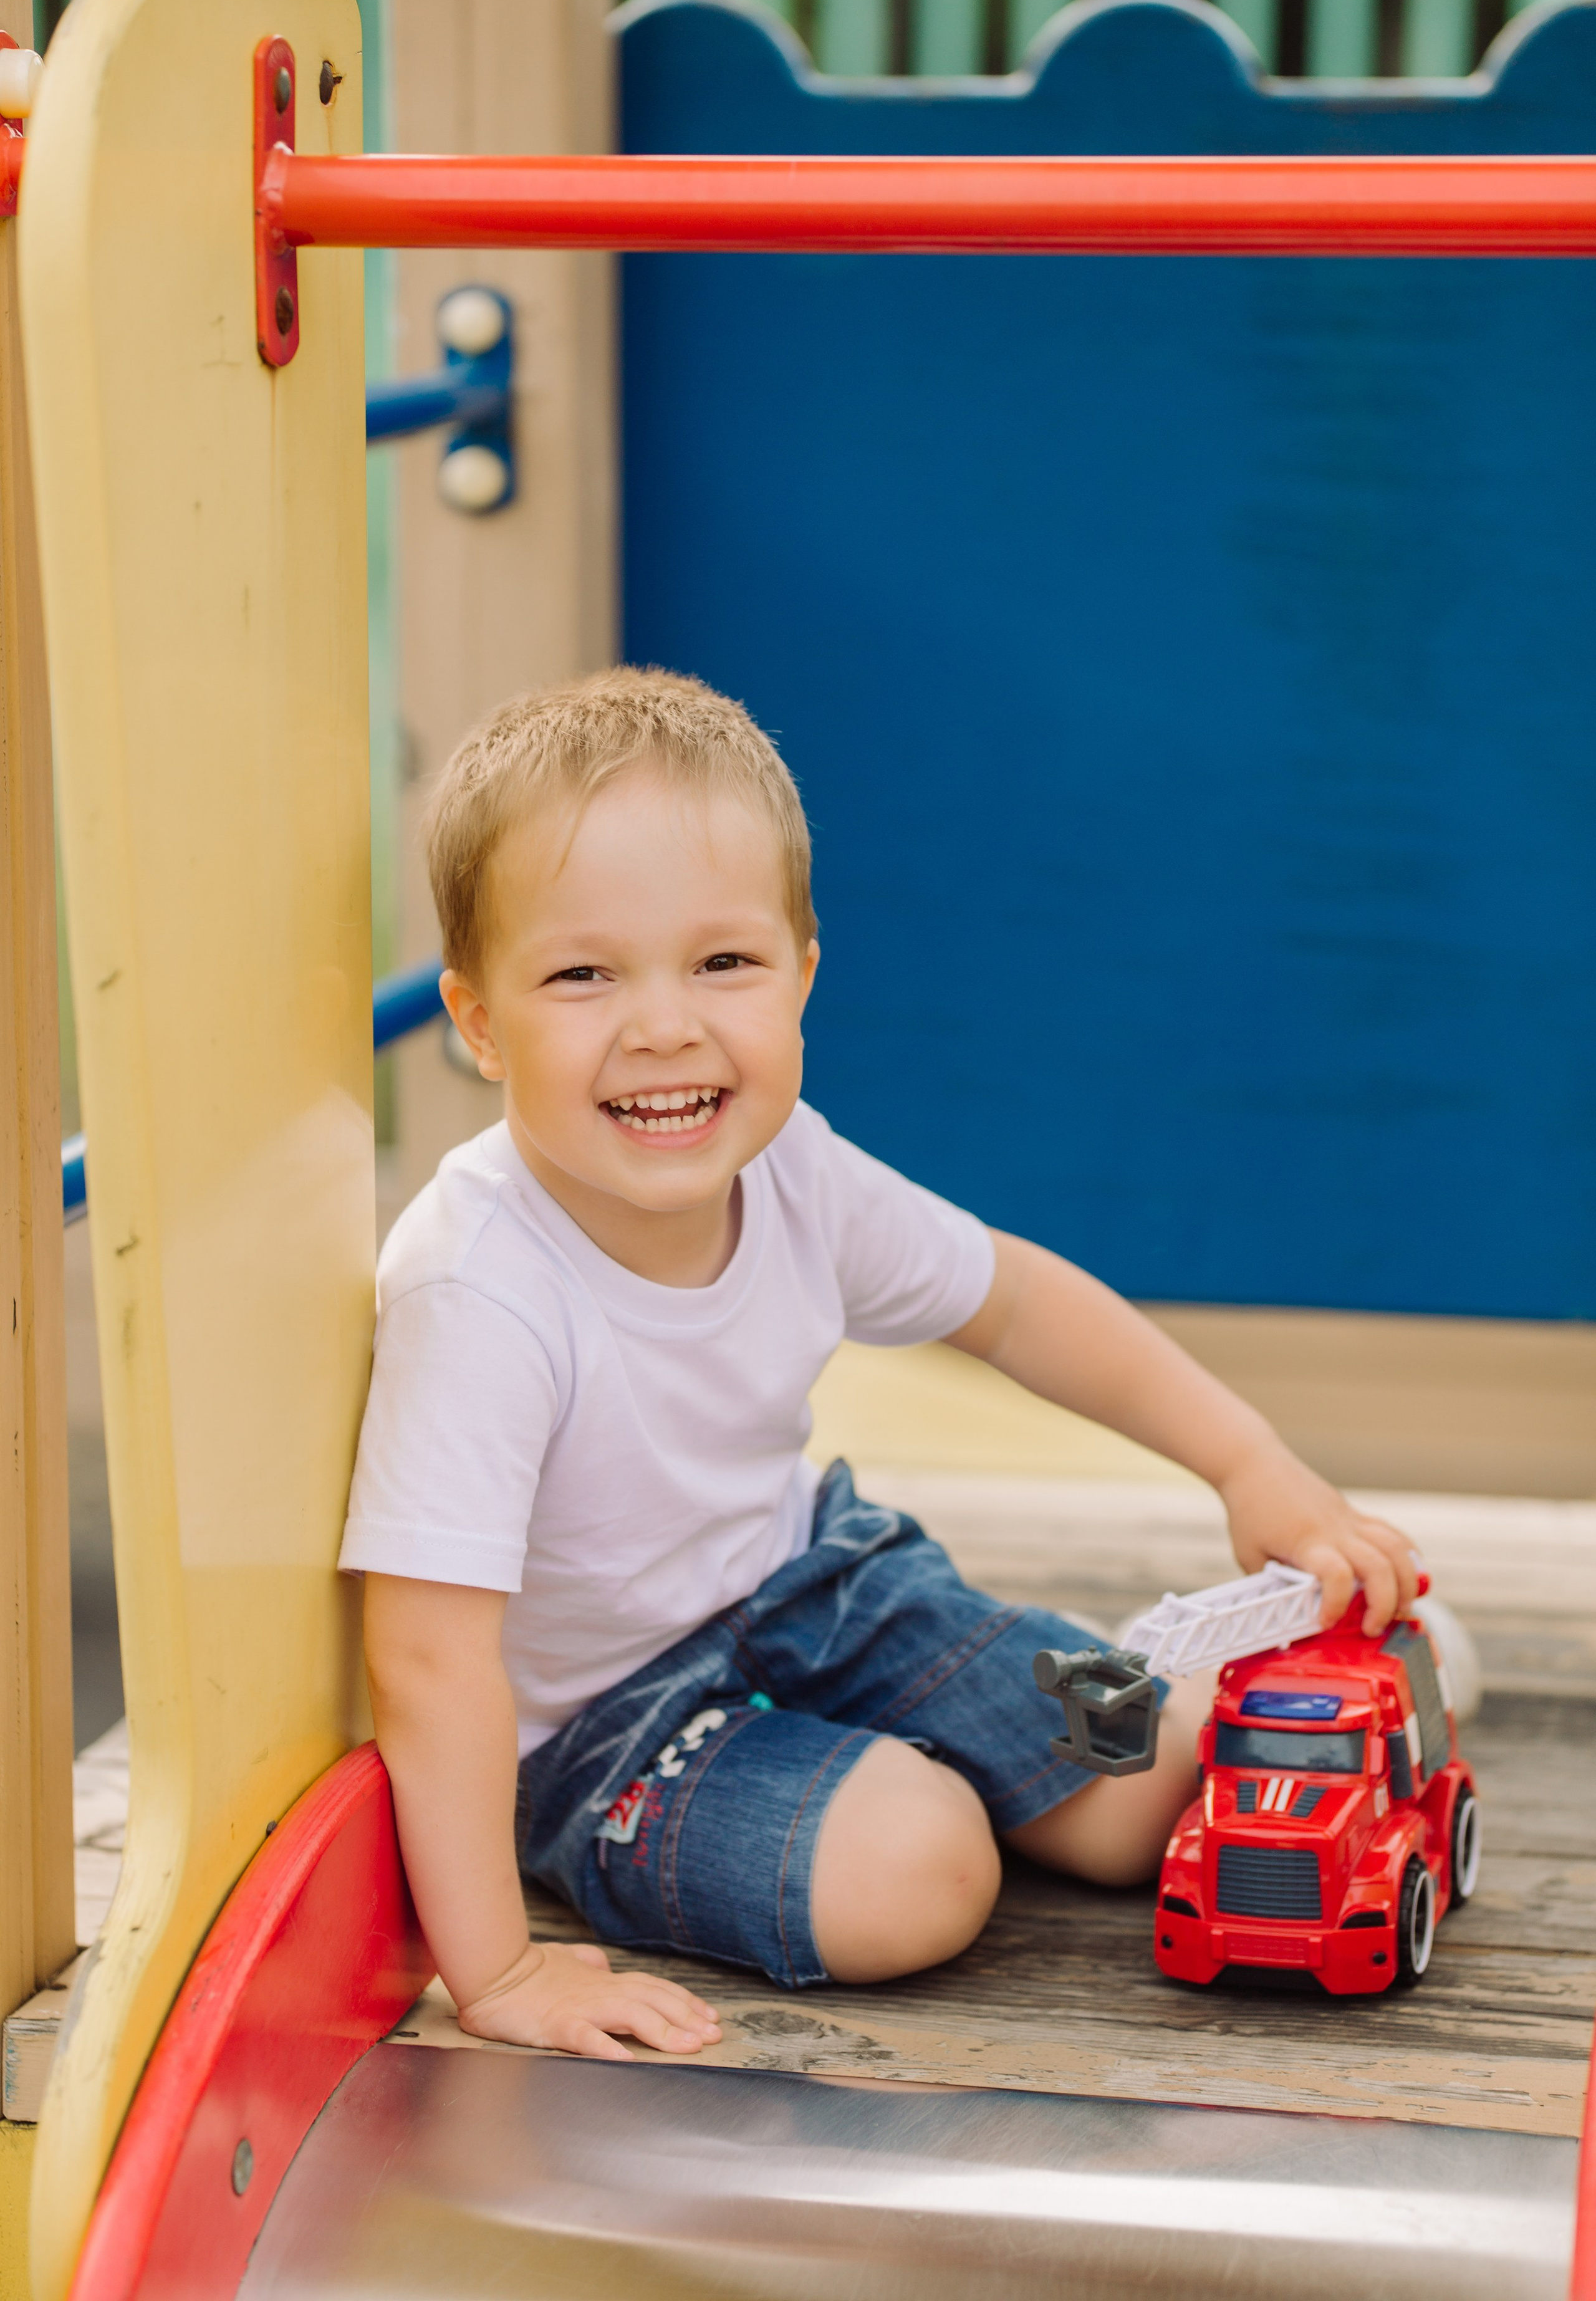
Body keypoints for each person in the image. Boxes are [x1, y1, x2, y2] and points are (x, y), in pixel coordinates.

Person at [341, 667, 1418, 2065]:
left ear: (801, 972)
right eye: (581, 973)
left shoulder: (793, 1167)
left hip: (809, 1577)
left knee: (1142, 1781)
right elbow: (425, 1657)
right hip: (605, 1721)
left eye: (721, 962)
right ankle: (835, 1792)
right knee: (920, 1873)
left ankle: (1314, 1643)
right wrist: (491, 1972)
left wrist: (1246, 1461)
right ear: (479, 1023)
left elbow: (1014, 1301)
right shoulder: (478, 1284)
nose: (664, 1024)